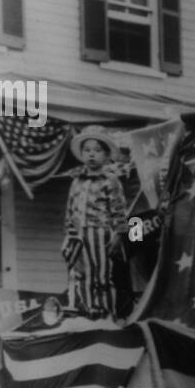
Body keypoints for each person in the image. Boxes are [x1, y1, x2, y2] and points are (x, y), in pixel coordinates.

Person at [64, 126, 129, 320]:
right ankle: (87, 309)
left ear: (107, 155)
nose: (91, 154)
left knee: (101, 273)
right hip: (77, 233)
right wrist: (69, 233)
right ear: (82, 154)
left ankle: (106, 311)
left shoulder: (110, 180)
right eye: (87, 150)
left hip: (100, 231)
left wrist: (119, 234)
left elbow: (119, 209)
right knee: (81, 273)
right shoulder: (77, 182)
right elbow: (70, 209)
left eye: (97, 150)